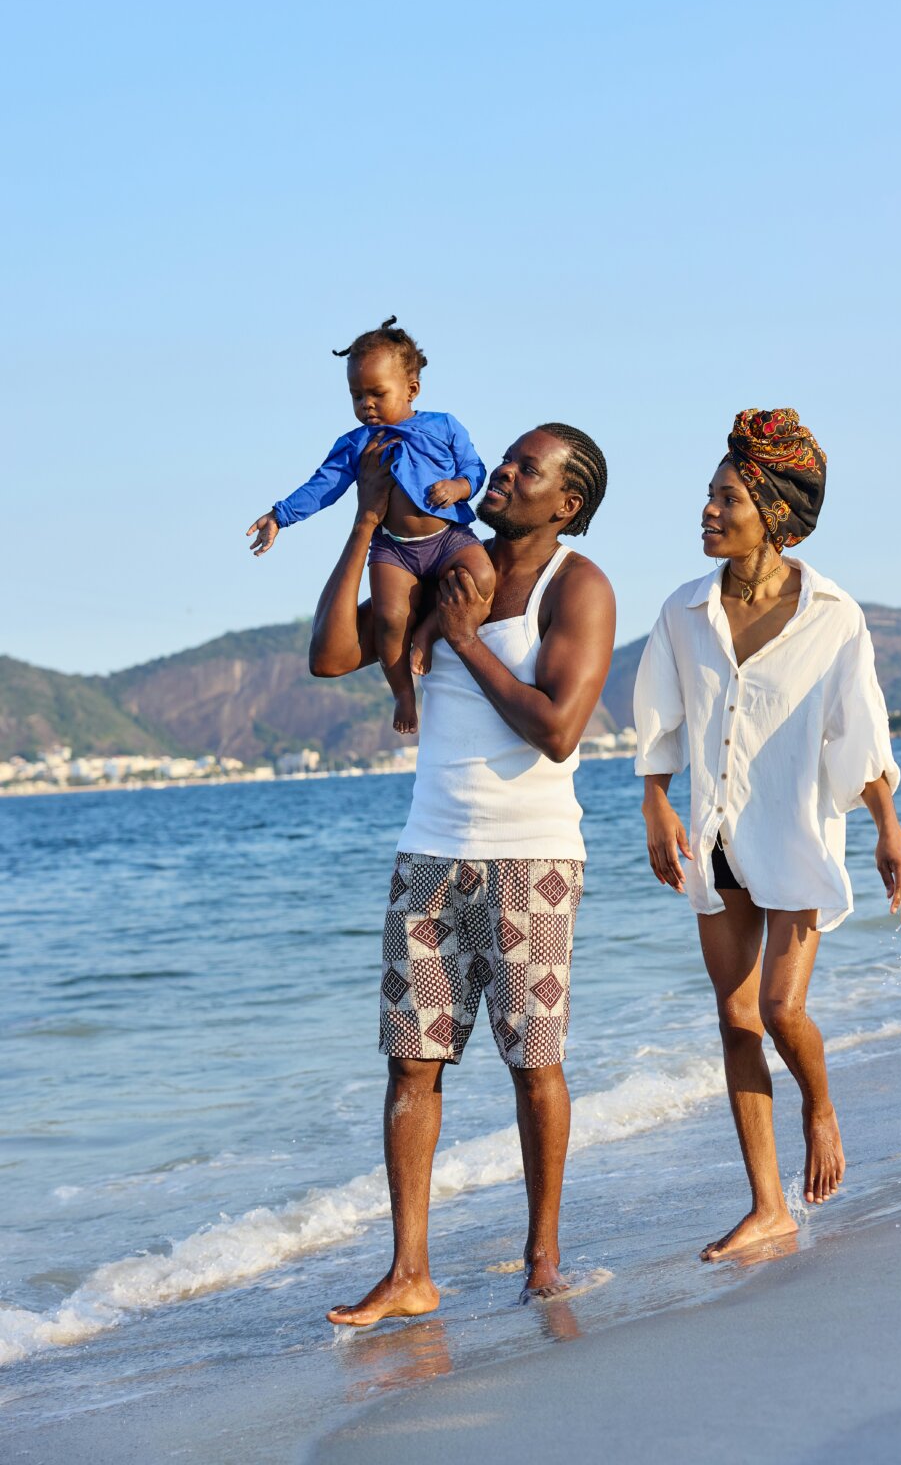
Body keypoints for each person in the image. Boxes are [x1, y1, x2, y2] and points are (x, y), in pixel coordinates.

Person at [309, 421, 615, 1323]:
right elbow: (330, 658)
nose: (502, 472)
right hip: (428, 853)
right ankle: (409, 1273)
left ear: (566, 502)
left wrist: (468, 639)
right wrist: (366, 527)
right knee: (411, 1068)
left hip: (532, 859)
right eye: (508, 459)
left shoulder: (578, 587)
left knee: (533, 1065)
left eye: (527, 469)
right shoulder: (445, 561)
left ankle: (543, 1255)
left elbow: (559, 727)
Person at [634, 408, 901, 1261]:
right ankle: (767, 1205)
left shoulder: (832, 614)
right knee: (732, 1017)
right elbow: (658, 714)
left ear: (775, 514)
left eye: (727, 498)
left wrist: (887, 832)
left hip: (794, 830)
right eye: (709, 496)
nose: (708, 511)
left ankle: (819, 1103)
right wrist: (655, 800)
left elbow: (858, 733)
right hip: (716, 833)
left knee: (778, 1008)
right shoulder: (683, 610)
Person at [246, 316, 494, 735]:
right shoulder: (356, 444)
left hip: (449, 538)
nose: (367, 405)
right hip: (393, 549)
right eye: (357, 396)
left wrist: (459, 486)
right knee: (389, 619)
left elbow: (475, 467)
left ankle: (432, 626)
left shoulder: (443, 426)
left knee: (484, 574)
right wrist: (280, 515)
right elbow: (322, 486)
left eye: (377, 393)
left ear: (412, 389)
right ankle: (402, 693)